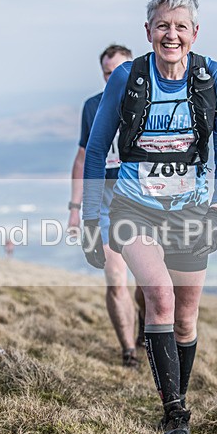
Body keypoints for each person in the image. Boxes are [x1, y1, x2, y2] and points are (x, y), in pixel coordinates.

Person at [81, 0, 217, 434]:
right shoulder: (126, 78)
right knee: (160, 298)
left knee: (187, 319)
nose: (172, 34)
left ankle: (177, 394)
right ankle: (174, 414)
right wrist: (93, 219)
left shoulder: (215, 78)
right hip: (133, 208)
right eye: (163, 26)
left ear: (195, 33)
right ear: (148, 31)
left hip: (190, 211)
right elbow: (95, 150)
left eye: (181, 26)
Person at [68, 44, 146, 369]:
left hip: (141, 202)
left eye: (120, 71)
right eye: (107, 73)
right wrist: (75, 208)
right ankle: (128, 350)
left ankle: (145, 322)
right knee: (116, 278)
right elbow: (83, 158)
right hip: (103, 202)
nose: (114, 78)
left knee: (147, 285)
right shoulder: (92, 107)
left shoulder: (149, 103)